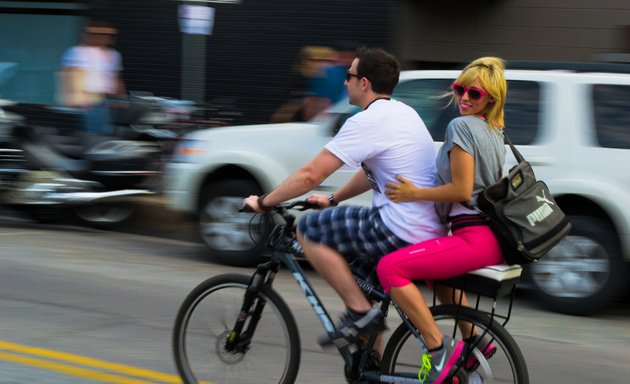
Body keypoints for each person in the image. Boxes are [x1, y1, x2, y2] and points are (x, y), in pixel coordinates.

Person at [245, 46, 445, 350]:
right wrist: (333, 199)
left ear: (363, 83)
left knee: (310, 229)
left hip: (397, 229)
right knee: (358, 280)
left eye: (348, 75)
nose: (343, 82)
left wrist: (264, 202)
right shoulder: (404, 113)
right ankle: (372, 363)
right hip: (423, 227)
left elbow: (311, 175)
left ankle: (359, 313)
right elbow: (372, 173)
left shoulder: (367, 121)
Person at [376, 57, 508, 384]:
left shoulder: (461, 126)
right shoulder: (494, 131)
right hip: (487, 237)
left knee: (389, 269)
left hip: (473, 237)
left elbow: (462, 189)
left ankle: (438, 350)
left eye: (473, 93)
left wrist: (413, 194)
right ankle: (474, 339)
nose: (463, 97)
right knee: (440, 280)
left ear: (489, 98)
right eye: (459, 88)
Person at [60, 20, 126, 136]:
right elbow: (69, 75)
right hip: (86, 99)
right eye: (95, 34)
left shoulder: (114, 54)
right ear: (87, 36)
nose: (100, 38)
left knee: (107, 131)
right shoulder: (76, 51)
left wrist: (122, 98)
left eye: (104, 35)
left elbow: (117, 77)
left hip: (106, 100)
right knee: (94, 132)